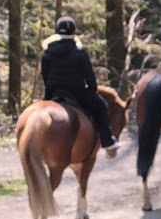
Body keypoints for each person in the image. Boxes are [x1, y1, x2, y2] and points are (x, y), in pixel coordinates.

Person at [41, 16, 121, 159]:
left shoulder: (48, 50)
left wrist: (49, 90)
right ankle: (107, 141)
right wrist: (92, 89)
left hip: (53, 91)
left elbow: (45, 74)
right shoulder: (79, 51)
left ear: (57, 32)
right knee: (102, 105)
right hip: (76, 92)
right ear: (74, 32)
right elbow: (89, 75)